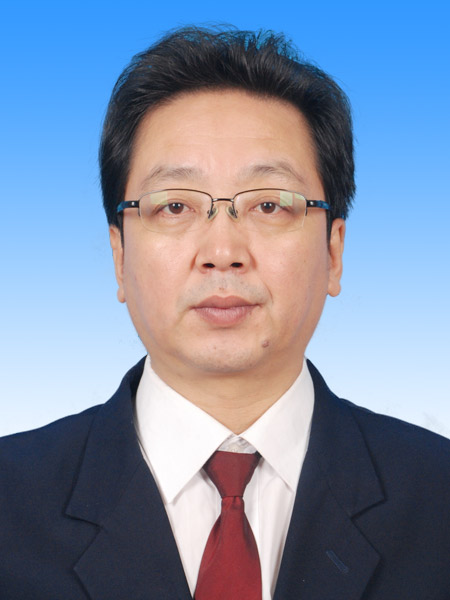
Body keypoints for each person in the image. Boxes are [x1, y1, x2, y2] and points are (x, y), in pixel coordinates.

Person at [1, 26, 449, 600]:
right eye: (174, 206)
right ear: (119, 256)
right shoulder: (11, 500)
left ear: (334, 253)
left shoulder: (438, 497)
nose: (222, 252)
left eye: (270, 205)